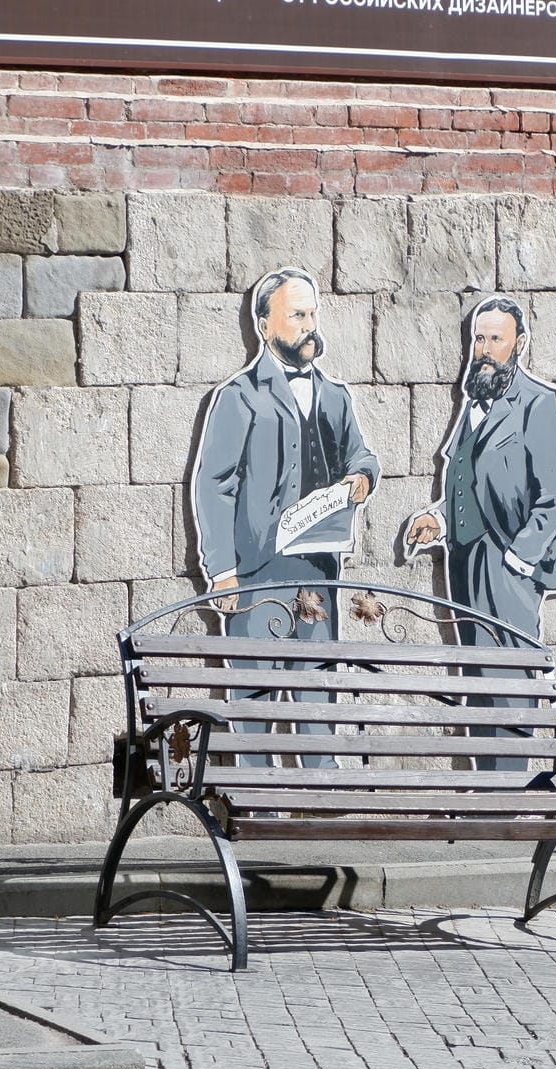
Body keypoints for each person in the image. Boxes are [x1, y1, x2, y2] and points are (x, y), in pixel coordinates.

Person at [190, 267, 379, 768]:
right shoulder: (238, 396)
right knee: (253, 702)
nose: (309, 326)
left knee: (318, 697)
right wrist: (222, 571)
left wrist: (362, 476)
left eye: (313, 314)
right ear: (264, 324)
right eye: (297, 315)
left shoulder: (335, 395)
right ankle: (255, 800)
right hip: (256, 577)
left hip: (317, 573)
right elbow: (214, 486)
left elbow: (360, 455)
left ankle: (323, 795)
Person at [403, 295, 556, 769]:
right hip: (465, 562)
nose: (483, 349)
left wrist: (521, 557)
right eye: (478, 338)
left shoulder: (538, 403)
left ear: (519, 343)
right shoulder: (475, 400)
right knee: (478, 677)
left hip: (508, 565)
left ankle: (512, 782)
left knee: (511, 676)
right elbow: (470, 479)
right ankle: (488, 784)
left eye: (495, 339)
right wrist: (439, 520)